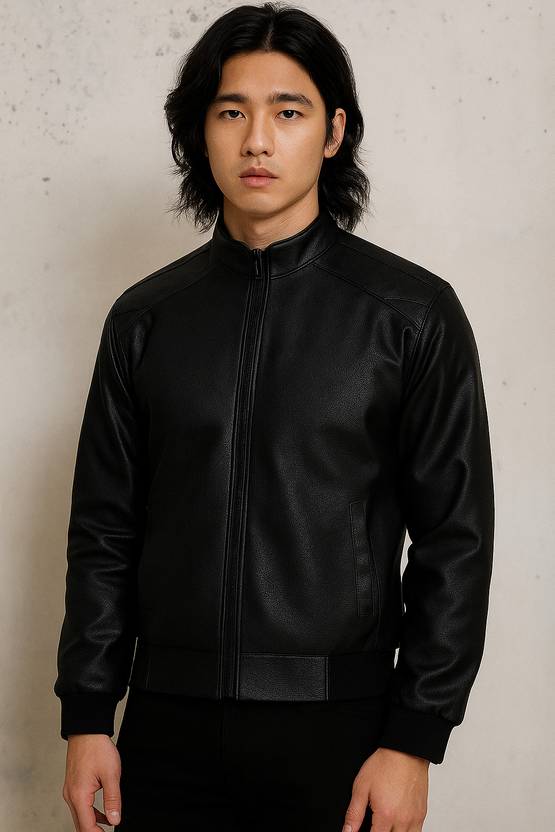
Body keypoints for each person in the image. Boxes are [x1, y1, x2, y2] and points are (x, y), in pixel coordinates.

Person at [53, 3, 495, 831]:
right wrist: (87, 715)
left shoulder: (409, 315)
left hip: (339, 731)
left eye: (287, 112)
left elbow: (454, 541)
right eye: (231, 112)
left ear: (333, 132)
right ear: (200, 132)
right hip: (164, 726)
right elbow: (104, 530)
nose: (257, 140)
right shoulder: (145, 318)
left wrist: (413, 738)